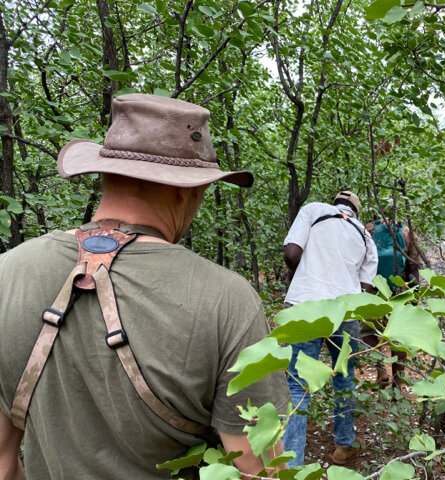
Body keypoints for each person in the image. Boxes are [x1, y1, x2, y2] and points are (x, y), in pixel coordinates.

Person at [0, 94, 290, 479]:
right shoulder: (228, 300)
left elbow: (3, 462)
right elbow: (259, 469)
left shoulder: (9, 271)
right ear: (185, 189)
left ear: (104, 173)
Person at [282, 191, 378, 466]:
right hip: (345, 311)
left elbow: (291, 253)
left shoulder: (313, 210)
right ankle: (344, 447)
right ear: (356, 211)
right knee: (344, 377)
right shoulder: (364, 235)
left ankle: (292, 465)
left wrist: (302, 280)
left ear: (335, 203)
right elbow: (366, 287)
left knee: (298, 385)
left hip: (307, 306)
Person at [362, 216, 422, 389]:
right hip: (400, 290)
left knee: (367, 330)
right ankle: (397, 382)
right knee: (399, 336)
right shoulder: (408, 233)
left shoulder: (369, 229)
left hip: (374, 288)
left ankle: (380, 369)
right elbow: (413, 268)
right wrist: (414, 298)